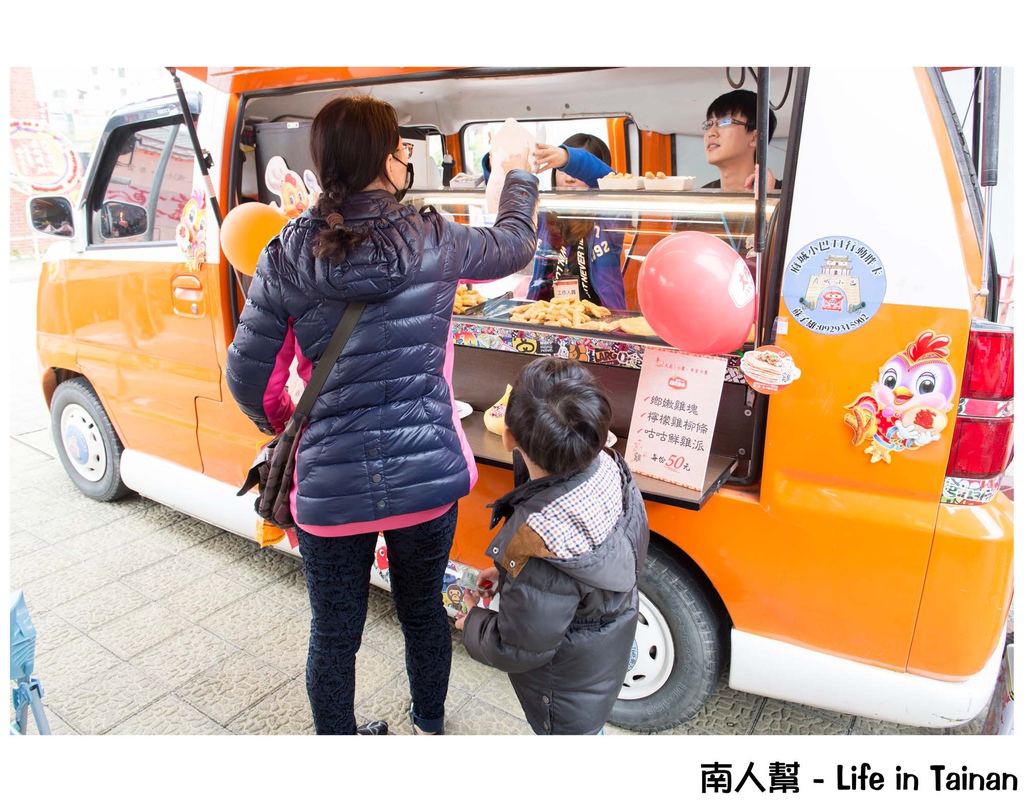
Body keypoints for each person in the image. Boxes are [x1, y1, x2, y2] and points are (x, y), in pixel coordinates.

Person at [226, 94, 539, 736]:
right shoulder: (435, 238)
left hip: (329, 488)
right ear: (386, 160)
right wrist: (518, 175)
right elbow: (515, 244)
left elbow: (247, 378)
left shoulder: (286, 253)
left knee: (333, 633)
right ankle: (428, 725)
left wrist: (289, 422)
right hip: (425, 479)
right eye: (400, 148)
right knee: (423, 611)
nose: (405, 158)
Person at [455, 357, 649, 735]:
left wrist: (472, 624)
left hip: (563, 689)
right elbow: (584, 572)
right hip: (604, 647)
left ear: (508, 436)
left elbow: (520, 648)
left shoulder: (540, 540)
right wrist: (512, 571)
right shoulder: (610, 470)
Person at [485, 134, 627, 309]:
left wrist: (568, 158)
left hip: (602, 318)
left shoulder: (608, 218)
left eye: (577, 172)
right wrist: (498, 167)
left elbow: (614, 183)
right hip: (548, 316)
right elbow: (510, 201)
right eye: (562, 170)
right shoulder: (544, 215)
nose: (569, 178)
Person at [701, 89, 781, 193]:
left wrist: (769, 198)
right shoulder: (701, 197)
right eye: (709, 124)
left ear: (755, 138)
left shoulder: (789, 195)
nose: (711, 133)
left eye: (725, 122)